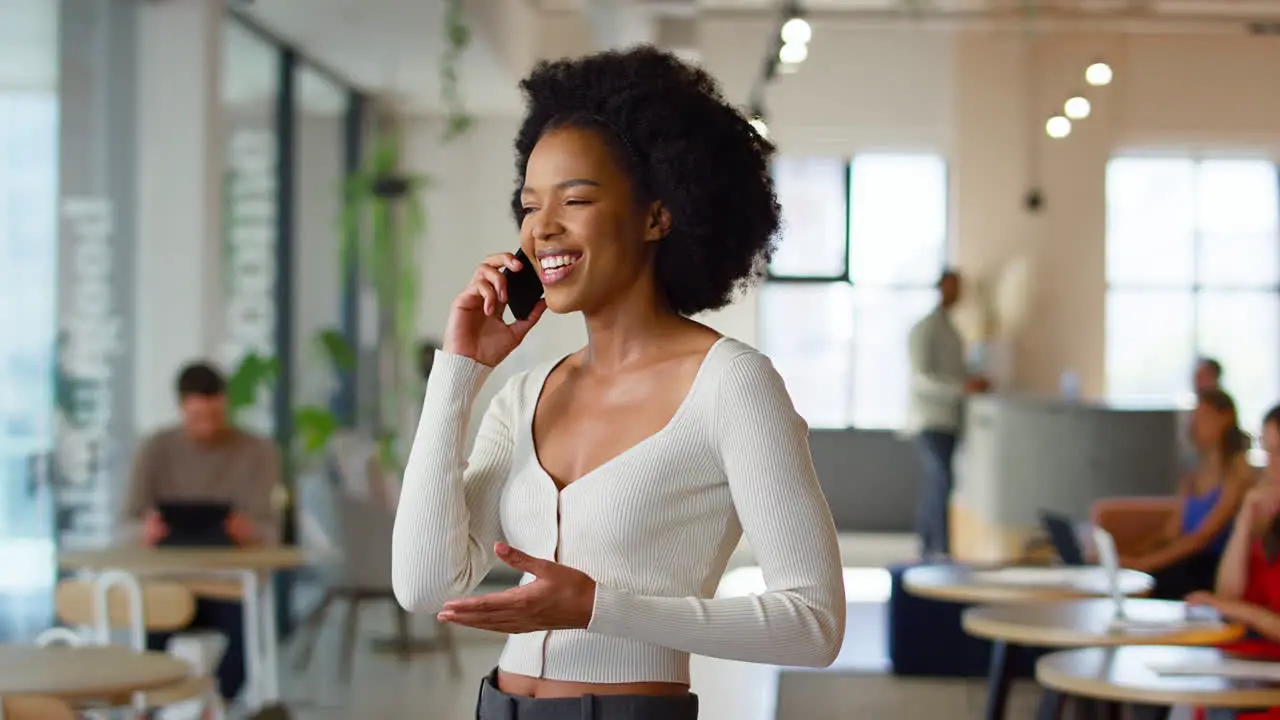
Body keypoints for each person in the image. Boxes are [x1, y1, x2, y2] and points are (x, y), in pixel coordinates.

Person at [391, 46, 845, 720]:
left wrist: (600, 608)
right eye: (530, 205)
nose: (543, 227)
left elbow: (814, 625)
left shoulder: (732, 385)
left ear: (658, 216)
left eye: (575, 199)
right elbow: (426, 586)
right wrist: (458, 372)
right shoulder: (525, 394)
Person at [121, 361, 281, 708]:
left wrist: (248, 530)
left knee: (249, 631)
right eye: (196, 419)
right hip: (168, 584)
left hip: (230, 587)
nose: (206, 429)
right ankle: (147, 709)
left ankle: (215, 704)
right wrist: (144, 531)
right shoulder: (155, 450)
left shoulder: (257, 451)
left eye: (213, 417)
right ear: (181, 408)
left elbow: (272, 530)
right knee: (149, 629)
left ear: (225, 406)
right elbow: (125, 522)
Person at [1183, 404, 1280, 720]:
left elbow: (1231, 606)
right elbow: (1228, 594)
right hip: (1246, 664)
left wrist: (1239, 612)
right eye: (1268, 454)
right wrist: (1246, 516)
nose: (1271, 469)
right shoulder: (1270, 523)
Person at [1121, 389, 1252, 600]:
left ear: (1225, 418)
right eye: (1193, 417)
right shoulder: (1192, 475)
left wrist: (1144, 564)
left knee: (1161, 579)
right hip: (1185, 560)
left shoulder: (1239, 472)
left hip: (1212, 567)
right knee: (1138, 578)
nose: (1193, 425)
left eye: (1202, 417)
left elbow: (1201, 538)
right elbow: (1171, 533)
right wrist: (1130, 555)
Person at [905, 269, 990, 561]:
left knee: (941, 481)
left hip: (951, 421)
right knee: (941, 479)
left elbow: (955, 372)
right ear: (941, 287)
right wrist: (962, 386)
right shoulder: (926, 328)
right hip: (931, 420)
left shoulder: (952, 331)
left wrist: (975, 380)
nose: (959, 294)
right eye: (954, 287)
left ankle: (932, 546)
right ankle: (937, 547)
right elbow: (923, 377)